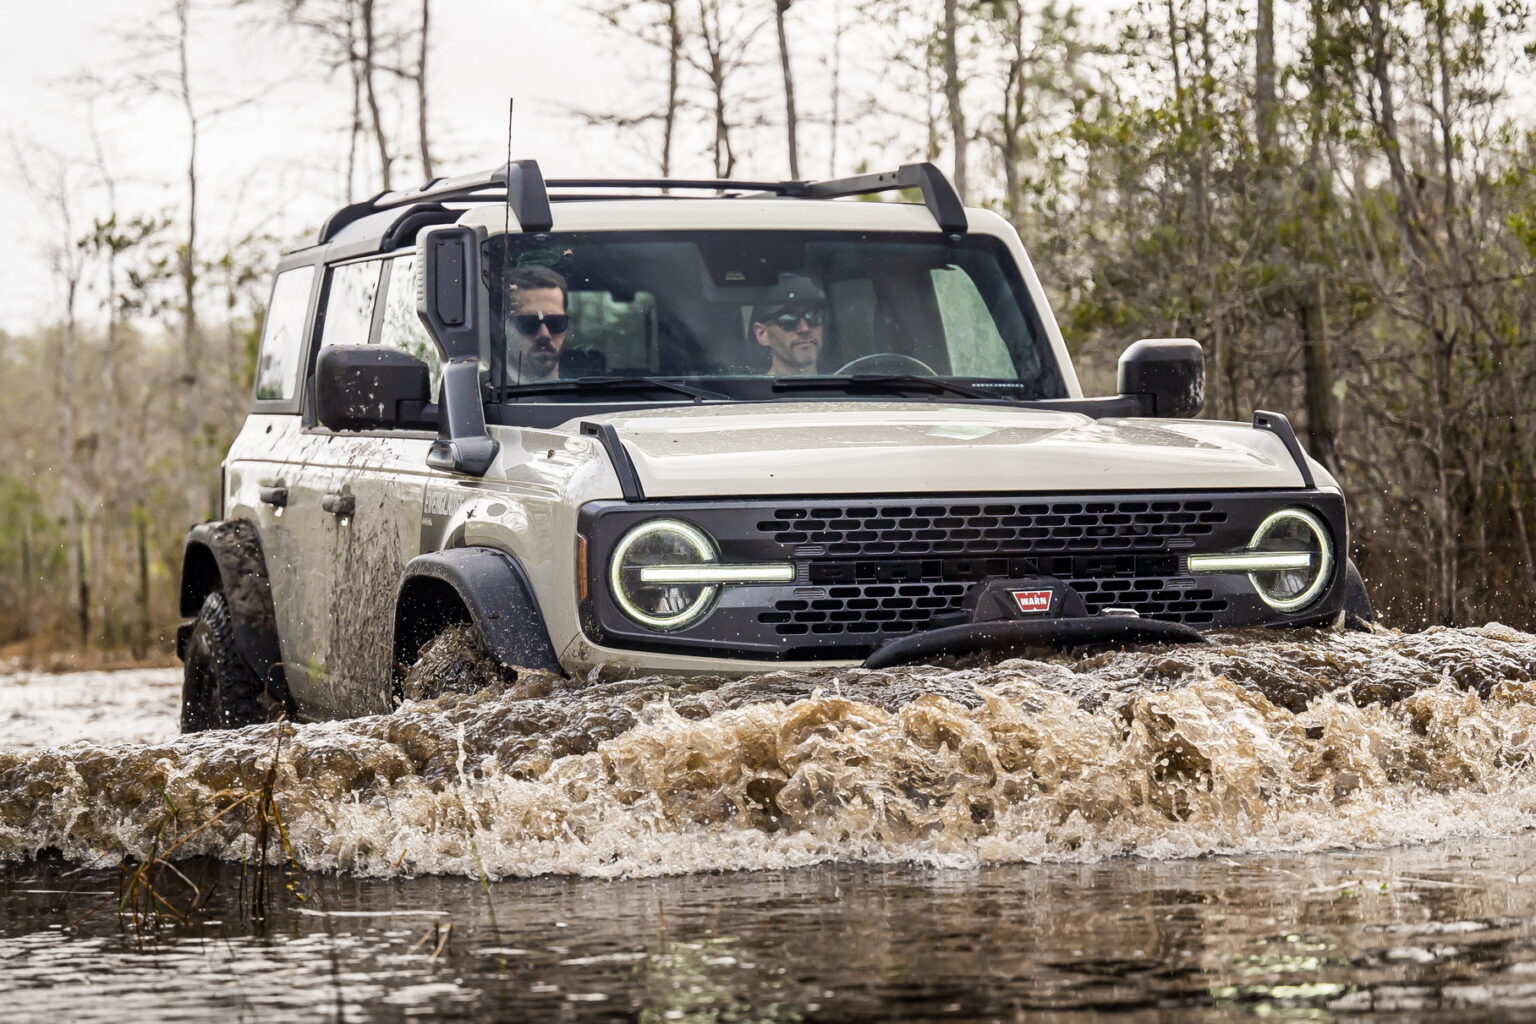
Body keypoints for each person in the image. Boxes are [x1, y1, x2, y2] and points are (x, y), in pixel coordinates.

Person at [750, 275, 826, 376]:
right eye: (788, 320)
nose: (805, 328)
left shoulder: (844, 386)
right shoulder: (749, 391)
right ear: (762, 334)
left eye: (813, 316)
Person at [505, 265, 570, 383]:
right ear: (504, 327)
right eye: (529, 323)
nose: (544, 334)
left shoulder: (590, 398)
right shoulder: (481, 394)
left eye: (555, 322)